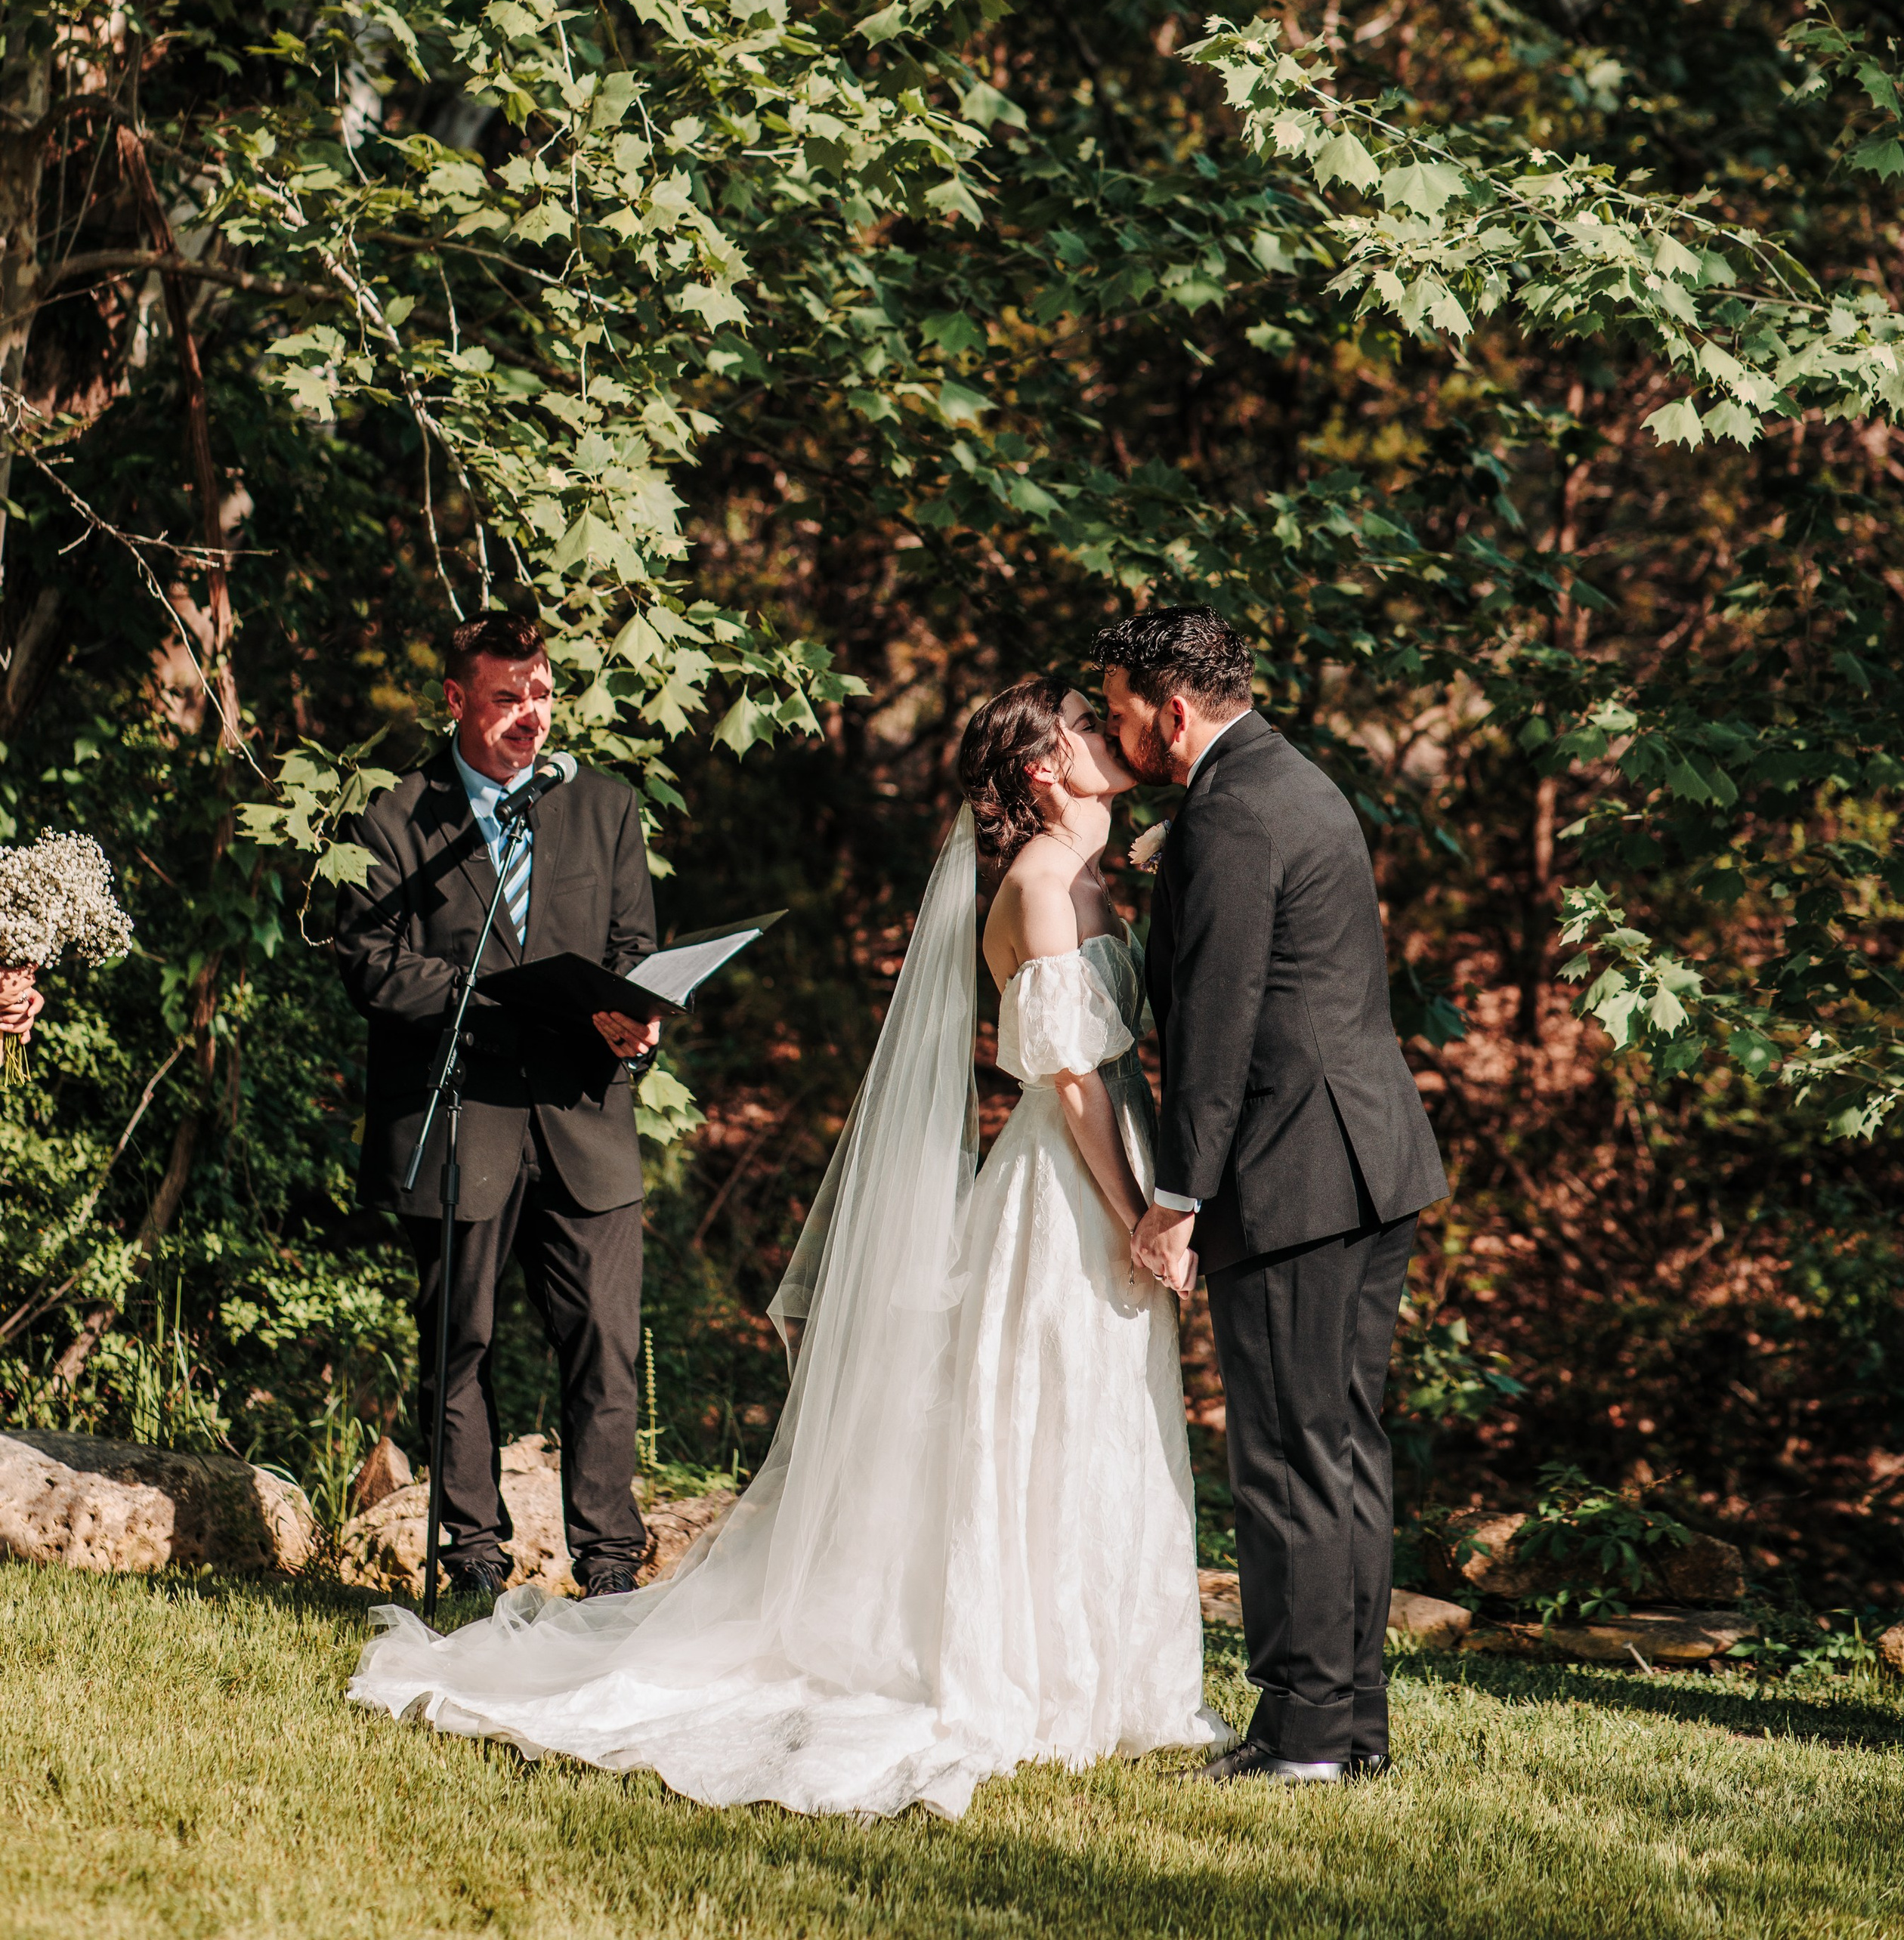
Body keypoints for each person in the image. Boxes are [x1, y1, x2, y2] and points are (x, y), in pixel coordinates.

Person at [348, 678, 1222, 1816]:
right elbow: (1068, 1084)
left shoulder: (1090, 870)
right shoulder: (1044, 887)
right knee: (1046, 1421)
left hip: (1105, 1181)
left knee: (1097, 1420)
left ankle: (1108, 1675)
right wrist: (1141, 1219)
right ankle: (1029, 1670)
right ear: (1044, 769)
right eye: (1088, 727)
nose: (1115, 738)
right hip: (1070, 1195)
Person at [1098, 604, 1446, 1787]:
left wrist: (1178, 1194)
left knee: (1286, 1456)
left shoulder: (1234, 814)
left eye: (1117, 711)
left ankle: (1302, 1732)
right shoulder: (1290, 781)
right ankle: (1349, 1727)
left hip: (1292, 1170)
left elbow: (1216, 1023)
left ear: (1174, 711)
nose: (1111, 730)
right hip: (1368, 1159)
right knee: (1340, 1446)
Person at [336, 608, 662, 1603]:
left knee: (605, 1345)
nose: (531, 717)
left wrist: (636, 1019)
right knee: (458, 1344)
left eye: (544, 695)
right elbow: (370, 964)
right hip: (461, 1112)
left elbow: (633, 950)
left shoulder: (602, 807)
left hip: (583, 1121)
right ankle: (472, 1553)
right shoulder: (393, 817)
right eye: (507, 697)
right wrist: (486, 999)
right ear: (456, 699)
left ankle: (609, 1563)